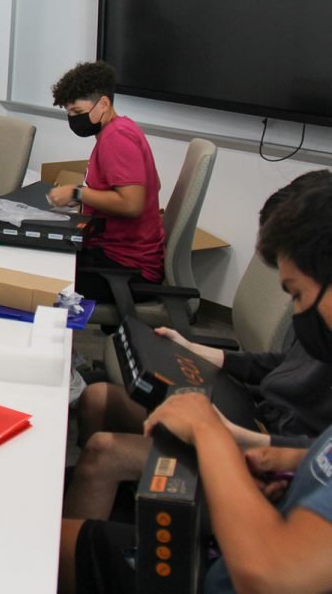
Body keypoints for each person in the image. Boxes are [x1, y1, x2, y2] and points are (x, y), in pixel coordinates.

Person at [60, 174, 332, 594]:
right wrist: (282, 458)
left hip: (230, 555)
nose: (296, 309)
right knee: (100, 398)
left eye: (296, 293)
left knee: (61, 539)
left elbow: (272, 573)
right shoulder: (318, 331)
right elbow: (317, 443)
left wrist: (212, 432)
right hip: (259, 439)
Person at [47, 61, 164, 304]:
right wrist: (89, 200)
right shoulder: (120, 129)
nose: (73, 120)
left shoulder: (116, 138)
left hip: (126, 269)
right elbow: (153, 184)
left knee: (41, 280)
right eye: (68, 114)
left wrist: (78, 193)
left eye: (78, 113)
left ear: (103, 103)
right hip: (115, 256)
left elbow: (132, 204)